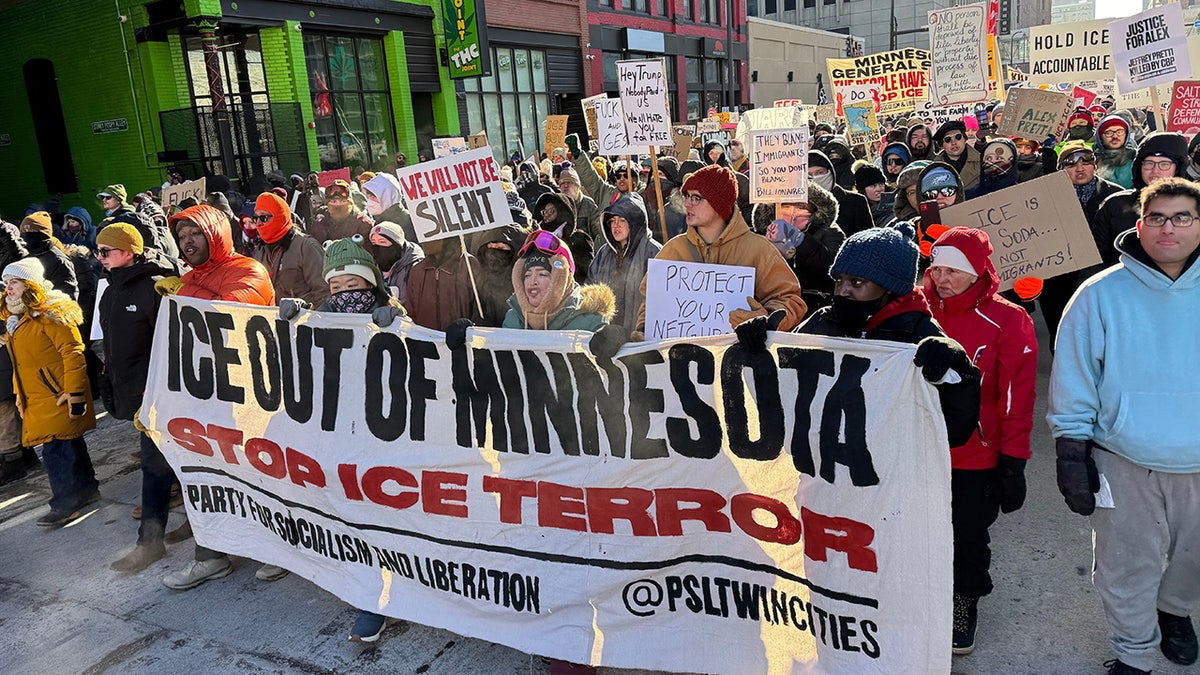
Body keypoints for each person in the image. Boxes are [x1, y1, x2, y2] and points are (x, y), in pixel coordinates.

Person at [1049, 176, 1200, 675]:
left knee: (1193, 560)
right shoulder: (1098, 294)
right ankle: (1134, 651)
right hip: (1123, 457)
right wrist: (1071, 450)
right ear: (1140, 224)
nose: (1168, 228)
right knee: (1124, 566)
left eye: (1182, 217)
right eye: (1156, 217)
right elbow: (1074, 374)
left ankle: (1175, 611)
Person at [279, 236, 407, 644]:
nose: (344, 295)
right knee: (356, 520)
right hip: (344, 438)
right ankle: (371, 598)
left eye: (353, 285)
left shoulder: (392, 313)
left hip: (392, 438)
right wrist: (297, 321)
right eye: (336, 288)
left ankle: (408, 586)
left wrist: (400, 326)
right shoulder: (323, 319)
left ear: (370, 283)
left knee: (394, 520)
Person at [921, 227, 1037, 655]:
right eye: (937, 267)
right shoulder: (918, 312)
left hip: (973, 452)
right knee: (917, 526)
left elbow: (1017, 396)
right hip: (916, 445)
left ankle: (964, 599)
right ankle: (921, 593)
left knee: (967, 532)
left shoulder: (1009, 319)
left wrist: (1014, 461)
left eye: (953, 270)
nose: (941, 278)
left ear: (976, 273)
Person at [158, 203, 276, 590]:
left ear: (215, 233)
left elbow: (230, 312)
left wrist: (187, 293)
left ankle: (279, 550)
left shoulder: (248, 270)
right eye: (181, 237)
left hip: (252, 396)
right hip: (206, 396)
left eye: (194, 234)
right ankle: (210, 556)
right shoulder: (189, 278)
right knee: (207, 478)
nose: (187, 242)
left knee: (263, 476)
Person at [795, 221, 981, 447]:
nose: (843, 291)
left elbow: (955, 431)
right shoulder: (823, 322)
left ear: (889, 289)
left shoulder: (921, 337)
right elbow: (782, 385)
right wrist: (756, 348)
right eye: (838, 280)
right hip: (824, 469)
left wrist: (961, 375)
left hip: (892, 473)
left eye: (857, 282)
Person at [634, 164, 806, 344]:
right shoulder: (673, 250)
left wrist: (766, 320)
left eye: (696, 198)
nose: (687, 204)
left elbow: (790, 300)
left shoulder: (759, 249)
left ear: (720, 204)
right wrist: (643, 330)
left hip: (740, 362)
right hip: (681, 364)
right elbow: (650, 300)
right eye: (686, 196)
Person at [96, 224, 179, 572]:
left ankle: (150, 543)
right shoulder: (109, 291)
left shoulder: (151, 289)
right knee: (171, 464)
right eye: (97, 251)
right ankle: (199, 523)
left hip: (157, 394)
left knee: (155, 465)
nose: (99, 257)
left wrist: (157, 386)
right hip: (130, 391)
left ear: (129, 251)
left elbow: (170, 344)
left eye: (106, 251)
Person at [0, 258, 99, 527]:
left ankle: (65, 504)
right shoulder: (17, 317)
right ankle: (88, 490)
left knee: (56, 451)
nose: (9, 288)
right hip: (40, 396)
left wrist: (74, 392)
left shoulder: (50, 313)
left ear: (30, 284)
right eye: (6, 283)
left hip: (58, 394)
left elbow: (73, 353)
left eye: (15, 283)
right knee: (69, 443)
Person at [1038, 142, 1124, 344]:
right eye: (1070, 164)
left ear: (1095, 165)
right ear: (1061, 170)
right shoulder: (1046, 197)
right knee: (1061, 336)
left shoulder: (1114, 195)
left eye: (1086, 161)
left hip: (1101, 277)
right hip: (1059, 280)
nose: (1079, 168)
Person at [1091, 131, 1188, 269]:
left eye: (1164, 164)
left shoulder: (1193, 207)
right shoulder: (1115, 205)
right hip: (1122, 286)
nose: (1155, 171)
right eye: (1149, 163)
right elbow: (1095, 261)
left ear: (1178, 168)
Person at [752, 183, 845, 315]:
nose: (793, 211)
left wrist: (800, 241)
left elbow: (833, 266)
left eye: (801, 207)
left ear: (815, 211)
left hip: (813, 309)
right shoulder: (761, 234)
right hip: (769, 307)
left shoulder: (830, 232)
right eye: (786, 205)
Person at [589, 193, 661, 334]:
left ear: (635, 222)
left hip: (639, 336)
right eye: (612, 221)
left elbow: (660, 299)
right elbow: (591, 286)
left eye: (622, 220)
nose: (616, 225)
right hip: (606, 335)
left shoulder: (654, 252)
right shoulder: (604, 253)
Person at [250, 193, 329, 308]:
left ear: (278, 217)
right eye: (255, 218)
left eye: (264, 218)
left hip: (303, 320)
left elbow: (324, 292)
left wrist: (303, 310)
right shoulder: (260, 250)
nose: (258, 223)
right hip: (272, 320)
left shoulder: (306, 246)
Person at [0, 224, 34, 485]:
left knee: (5, 405)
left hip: (6, 339)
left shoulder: (10, 255)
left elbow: (17, 262)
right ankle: (23, 451)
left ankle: (14, 458)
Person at [473, 224, 527, 327]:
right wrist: (478, 323)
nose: (493, 253)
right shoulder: (479, 275)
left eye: (500, 247)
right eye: (490, 246)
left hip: (515, 337)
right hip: (487, 338)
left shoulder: (524, 277)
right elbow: (476, 306)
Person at [810, 150, 873, 237]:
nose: (815, 178)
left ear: (830, 172)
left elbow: (868, 238)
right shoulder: (798, 207)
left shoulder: (856, 201)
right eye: (809, 175)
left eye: (820, 172)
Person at [18, 211, 78, 299]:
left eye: (31, 231)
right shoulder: (28, 256)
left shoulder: (59, 260)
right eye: (23, 231)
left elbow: (67, 297)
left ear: (43, 234)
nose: (26, 236)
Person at [369, 221, 425, 307]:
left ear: (396, 244)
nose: (377, 247)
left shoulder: (415, 268)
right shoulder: (374, 267)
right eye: (373, 242)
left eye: (382, 242)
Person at [932, 121, 981, 192]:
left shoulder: (982, 162)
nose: (954, 142)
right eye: (948, 139)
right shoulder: (934, 169)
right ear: (942, 145)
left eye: (958, 137)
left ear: (965, 138)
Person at [557, 166, 602, 242]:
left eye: (569, 182)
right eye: (563, 183)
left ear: (577, 186)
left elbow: (598, 234)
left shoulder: (588, 205)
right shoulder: (557, 205)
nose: (565, 186)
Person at [1094, 114, 1137, 190]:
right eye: (1109, 133)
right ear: (1100, 137)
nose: (1115, 136)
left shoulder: (1135, 158)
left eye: (1120, 132)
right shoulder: (1092, 160)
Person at [853, 162, 894, 228]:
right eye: (873, 186)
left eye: (881, 184)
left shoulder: (897, 202)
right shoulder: (858, 213)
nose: (879, 189)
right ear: (862, 190)